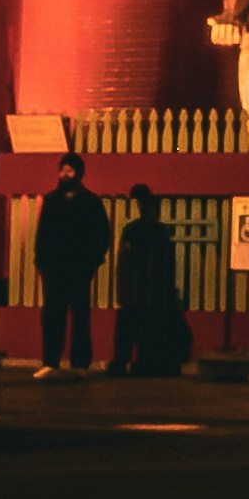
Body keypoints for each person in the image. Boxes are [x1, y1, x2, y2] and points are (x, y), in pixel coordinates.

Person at [35, 155, 111, 377]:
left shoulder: (90, 202)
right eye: (63, 170)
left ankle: (79, 363)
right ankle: (50, 361)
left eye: (69, 171)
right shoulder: (52, 200)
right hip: (55, 267)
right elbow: (43, 233)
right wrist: (41, 260)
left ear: (78, 173)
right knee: (53, 315)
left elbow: (101, 234)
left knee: (79, 315)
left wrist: (92, 260)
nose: (65, 175)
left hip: (79, 266)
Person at [113, 191, 193, 383]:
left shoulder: (131, 230)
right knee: (150, 333)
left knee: (129, 331)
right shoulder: (161, 231)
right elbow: (169, 265)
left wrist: (123, 291)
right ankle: (146, 364)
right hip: (156, 295)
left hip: (135, 292)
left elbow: (124, 262)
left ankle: (125, 364)